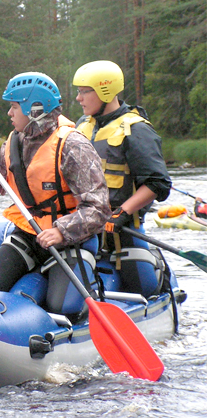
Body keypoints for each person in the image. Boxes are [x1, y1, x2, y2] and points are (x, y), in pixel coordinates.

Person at [0, 72, 111, 315]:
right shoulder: (14, 141)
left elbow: (99, 207)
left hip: (71, 240)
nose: (9, 113)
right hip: (29, 235)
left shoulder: (73, 145)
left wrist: (61, 231)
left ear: (34, 109)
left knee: (62, 307)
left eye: (14, 107)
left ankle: (87, 291)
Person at [73, 60, 172, 296]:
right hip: (84, 228)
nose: (79, 98)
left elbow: (158, 184)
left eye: (85, 91)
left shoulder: (136, 130)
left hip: (123, 231)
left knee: (143, 289)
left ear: (105, 91)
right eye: (79, 91)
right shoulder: (80, 127)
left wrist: (123, 212)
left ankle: (157, 271)